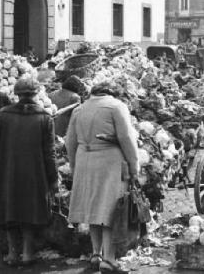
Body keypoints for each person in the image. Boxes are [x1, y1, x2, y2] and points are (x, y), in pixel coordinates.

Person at [66, 82, 139, 273]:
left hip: (84, 159)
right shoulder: (116, 106)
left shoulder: (79, 110)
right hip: (108, 161)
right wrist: (134, 165)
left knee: (92, 207)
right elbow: (126, 138)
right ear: (113, 93)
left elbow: (69, 141)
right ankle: (109, 259)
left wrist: (74, 165)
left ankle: (95, 253)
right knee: (109, 209)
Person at [0, 78, 58, 267]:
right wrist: (53, 178)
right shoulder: (44, 117)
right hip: (35, 173)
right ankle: (27, 253)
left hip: (6, 170)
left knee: (9, 209)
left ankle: (11, 253)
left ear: (16, 94)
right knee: (30, 210)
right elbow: (50, 153)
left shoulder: (2, 115)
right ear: (36, 93)